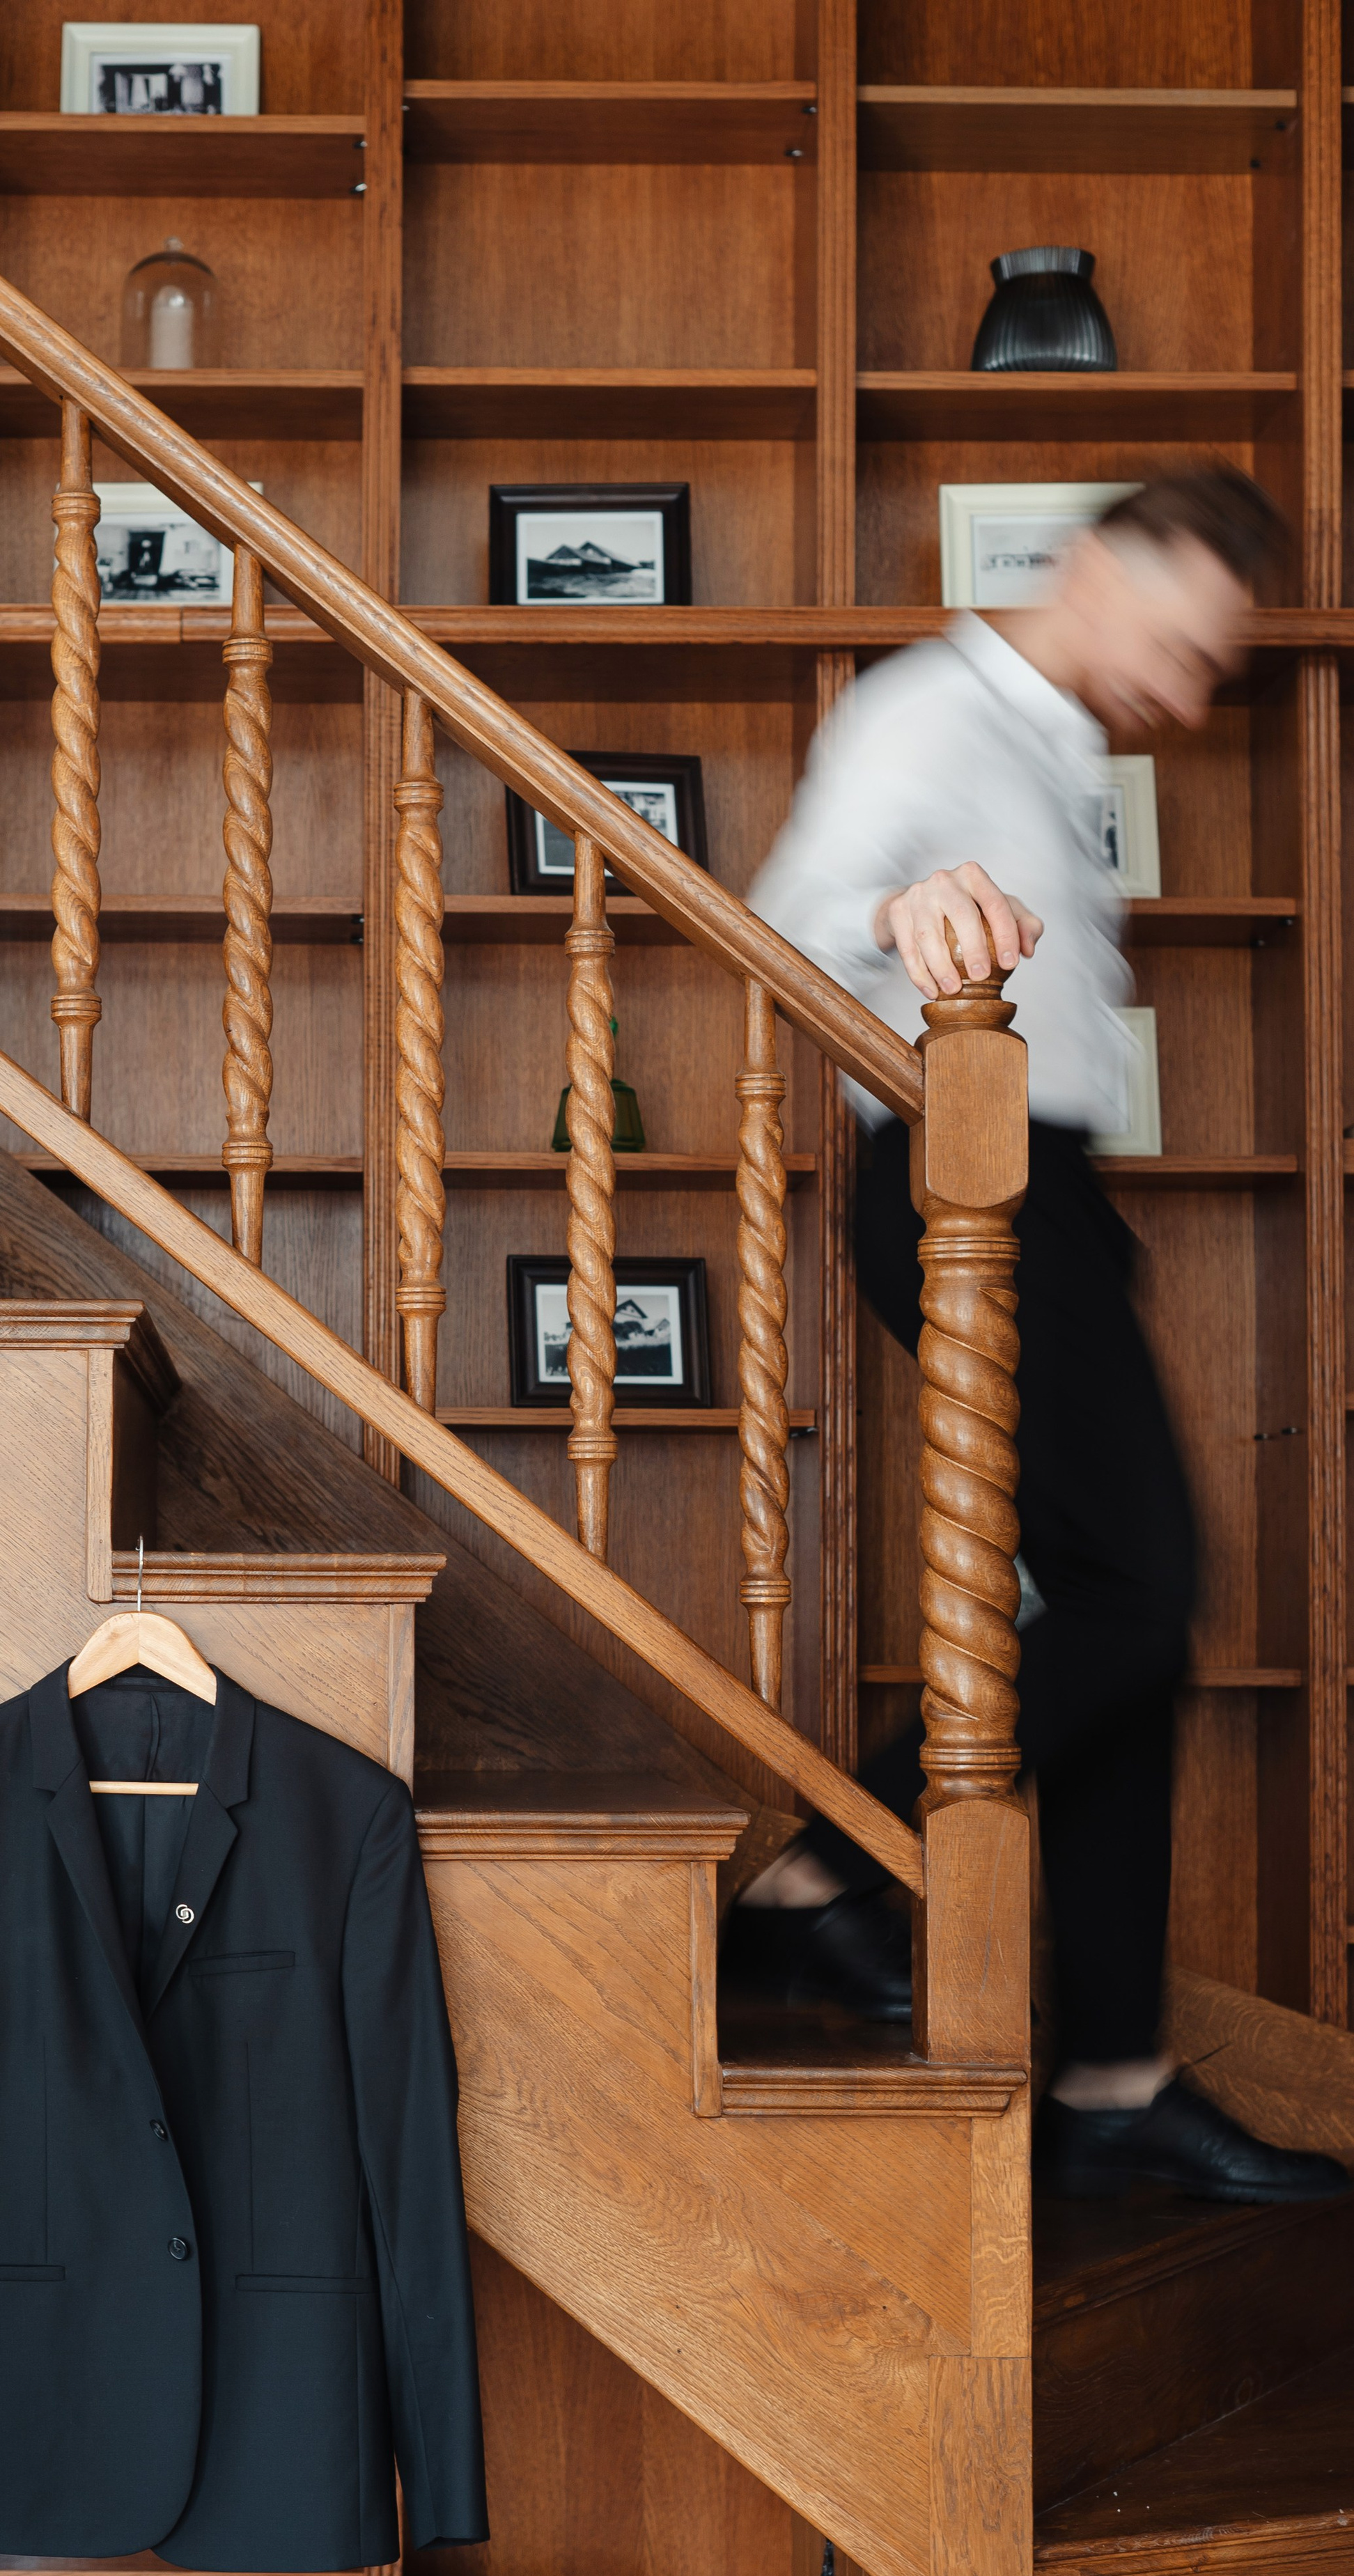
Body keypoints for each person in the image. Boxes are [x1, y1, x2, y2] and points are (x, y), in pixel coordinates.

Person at [726, 468, 1348, 2206]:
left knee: (1119, 1618)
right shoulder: (927, 708)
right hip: (958, 1180)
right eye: (1178, 646)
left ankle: (1109, 2076)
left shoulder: (1057, 749)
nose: (1187, 695)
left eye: (1209, 668)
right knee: (1137, 1594)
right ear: (1088, 570)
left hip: (1047, 1189)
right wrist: (893, 913)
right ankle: (815, 1880)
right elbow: (785, 916)